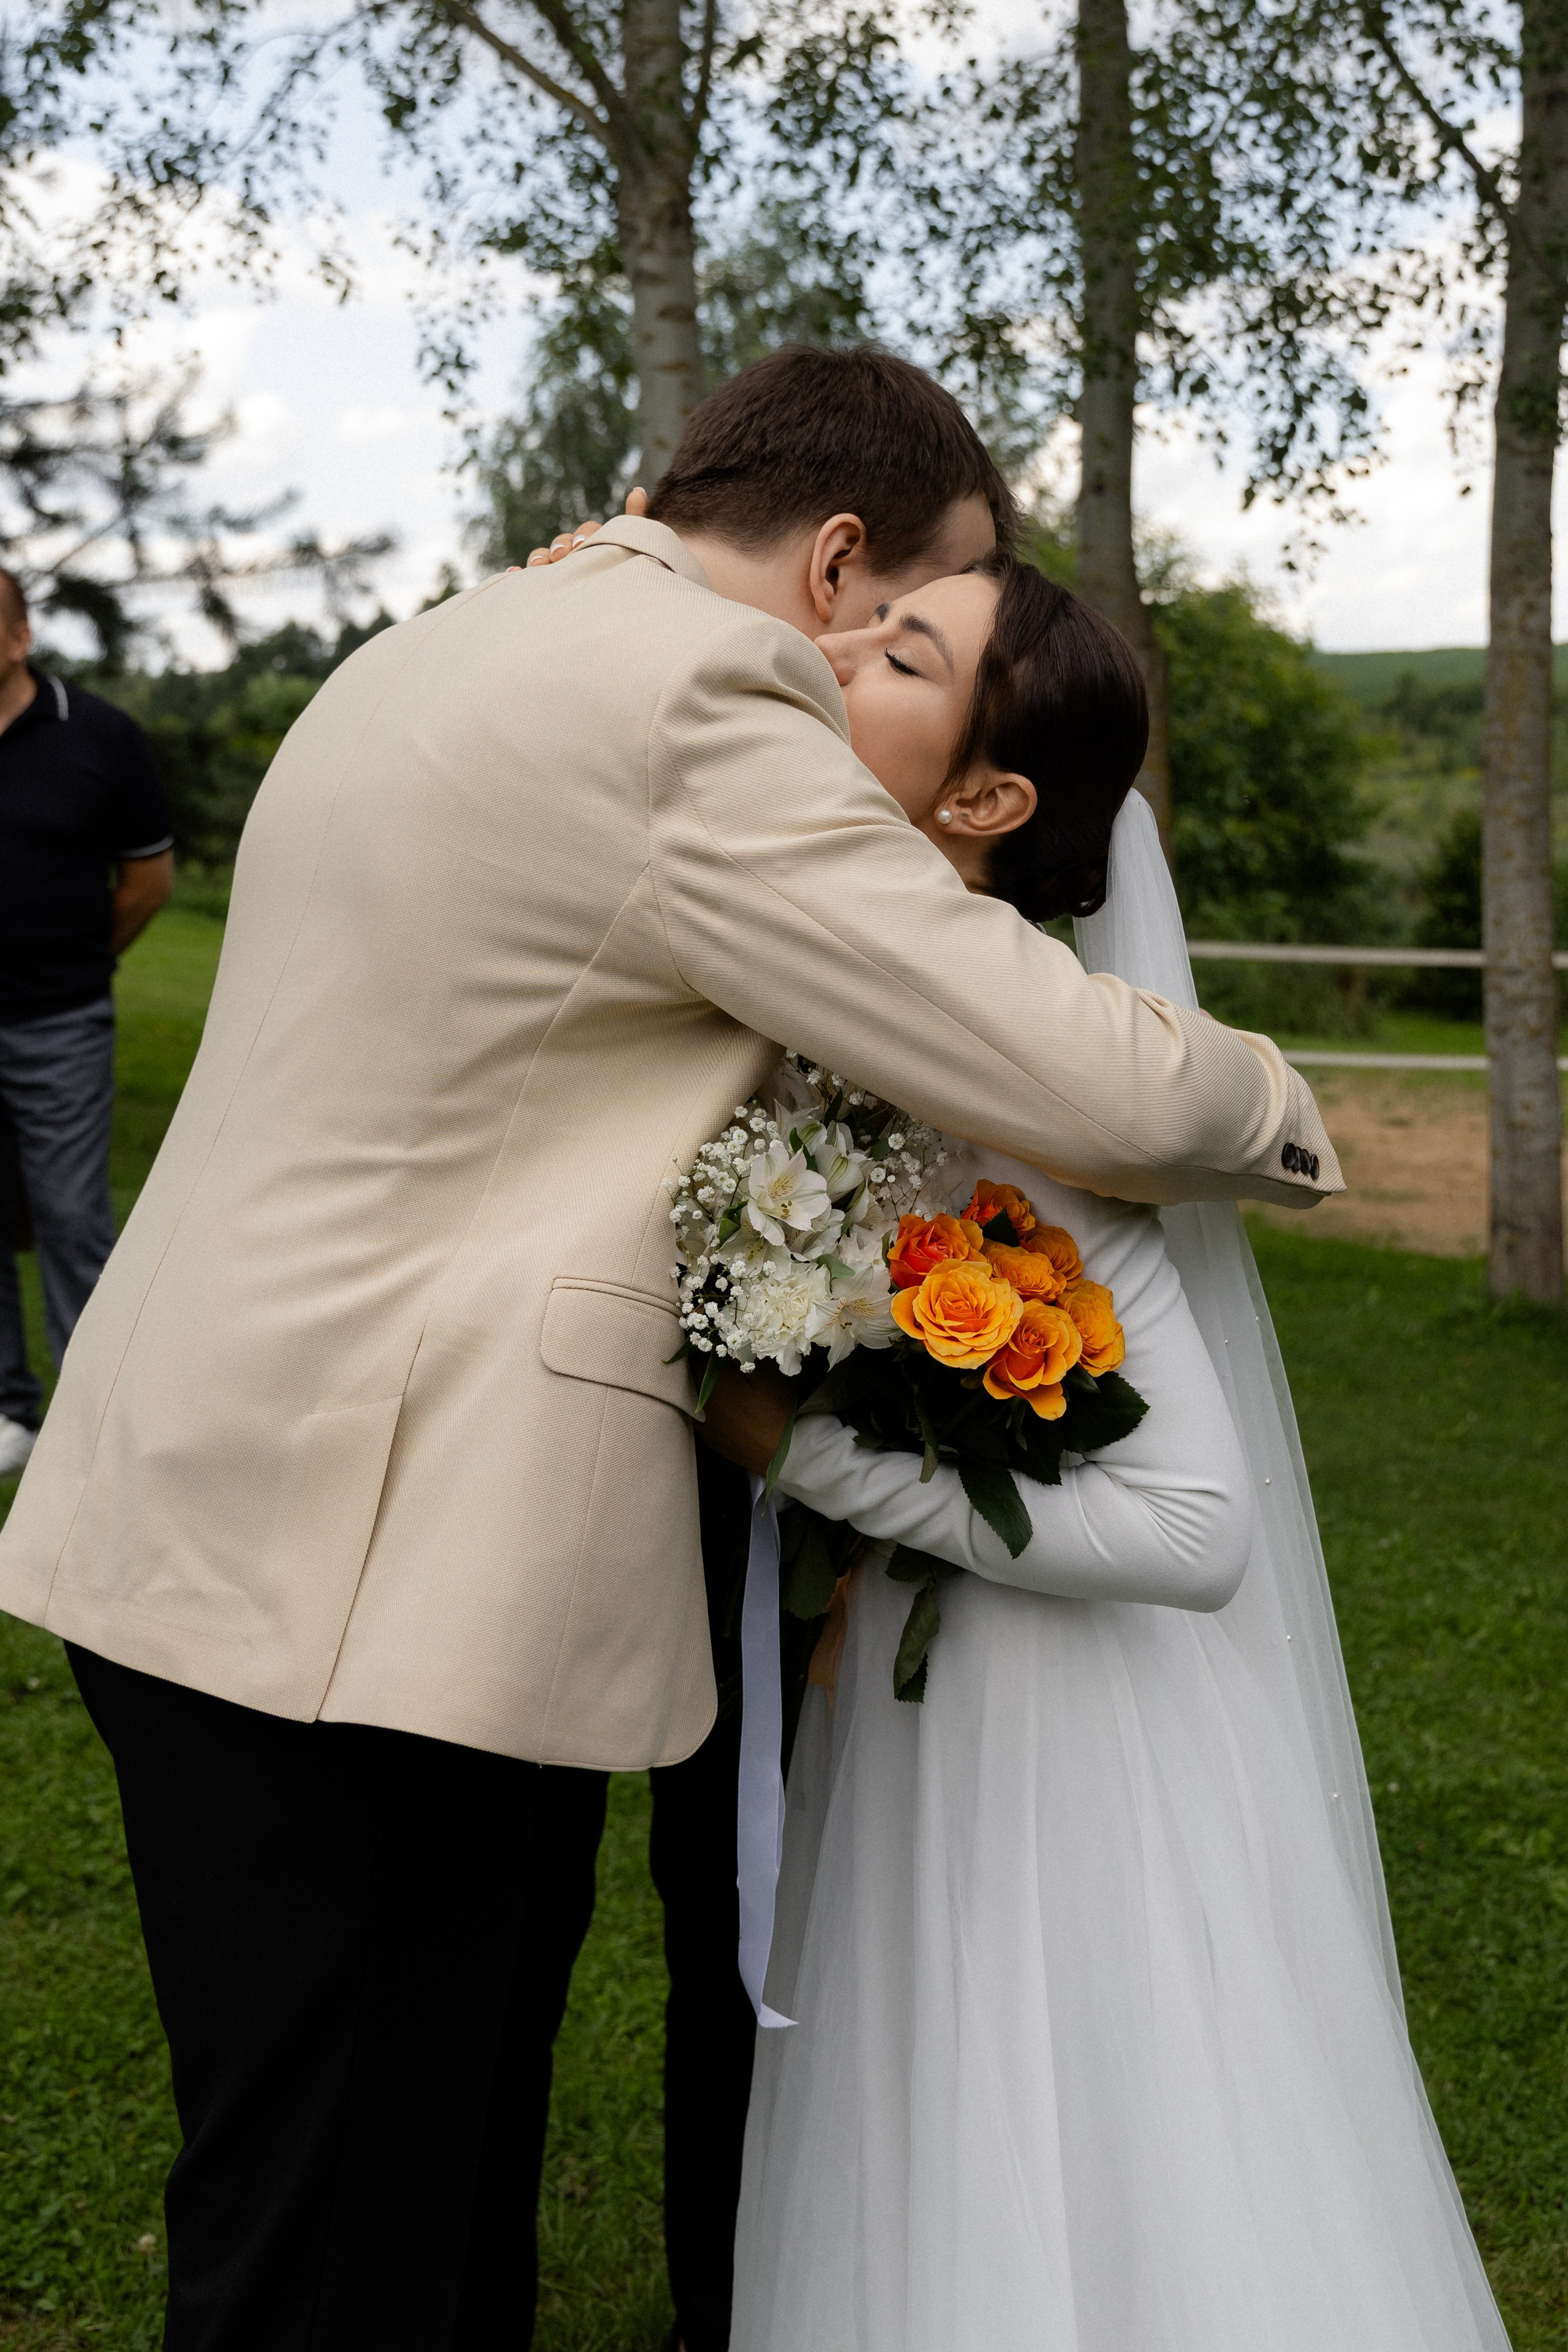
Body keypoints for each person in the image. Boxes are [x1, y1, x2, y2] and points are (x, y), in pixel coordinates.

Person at [0, 345, 1341, 2352]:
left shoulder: (456, 637)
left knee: (405, 2198)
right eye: (895, 611)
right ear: (827, 563)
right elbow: (1087, 1081)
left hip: (234, 1513)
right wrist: (1284, 1114)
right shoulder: (692, 697)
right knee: (341, 2255)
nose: (886, 651)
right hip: (364, 1586)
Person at [695, 555, 1508, 2352]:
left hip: (1051, 1736)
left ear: (986, 800)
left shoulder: (1025, 1078)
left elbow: (1200, 1524)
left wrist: (810, 1464)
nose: (836, 641)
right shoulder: (854, 1022)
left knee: (1058, 2127)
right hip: (911, 1691)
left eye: (903, 647)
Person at [0, 568, 173, 1479]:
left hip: (59, 1021)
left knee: (71, 1218)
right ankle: (7, 1412)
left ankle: (95, 1416)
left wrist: (74, 961)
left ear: (20, 637)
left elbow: (148, 884)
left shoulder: (97, 736)